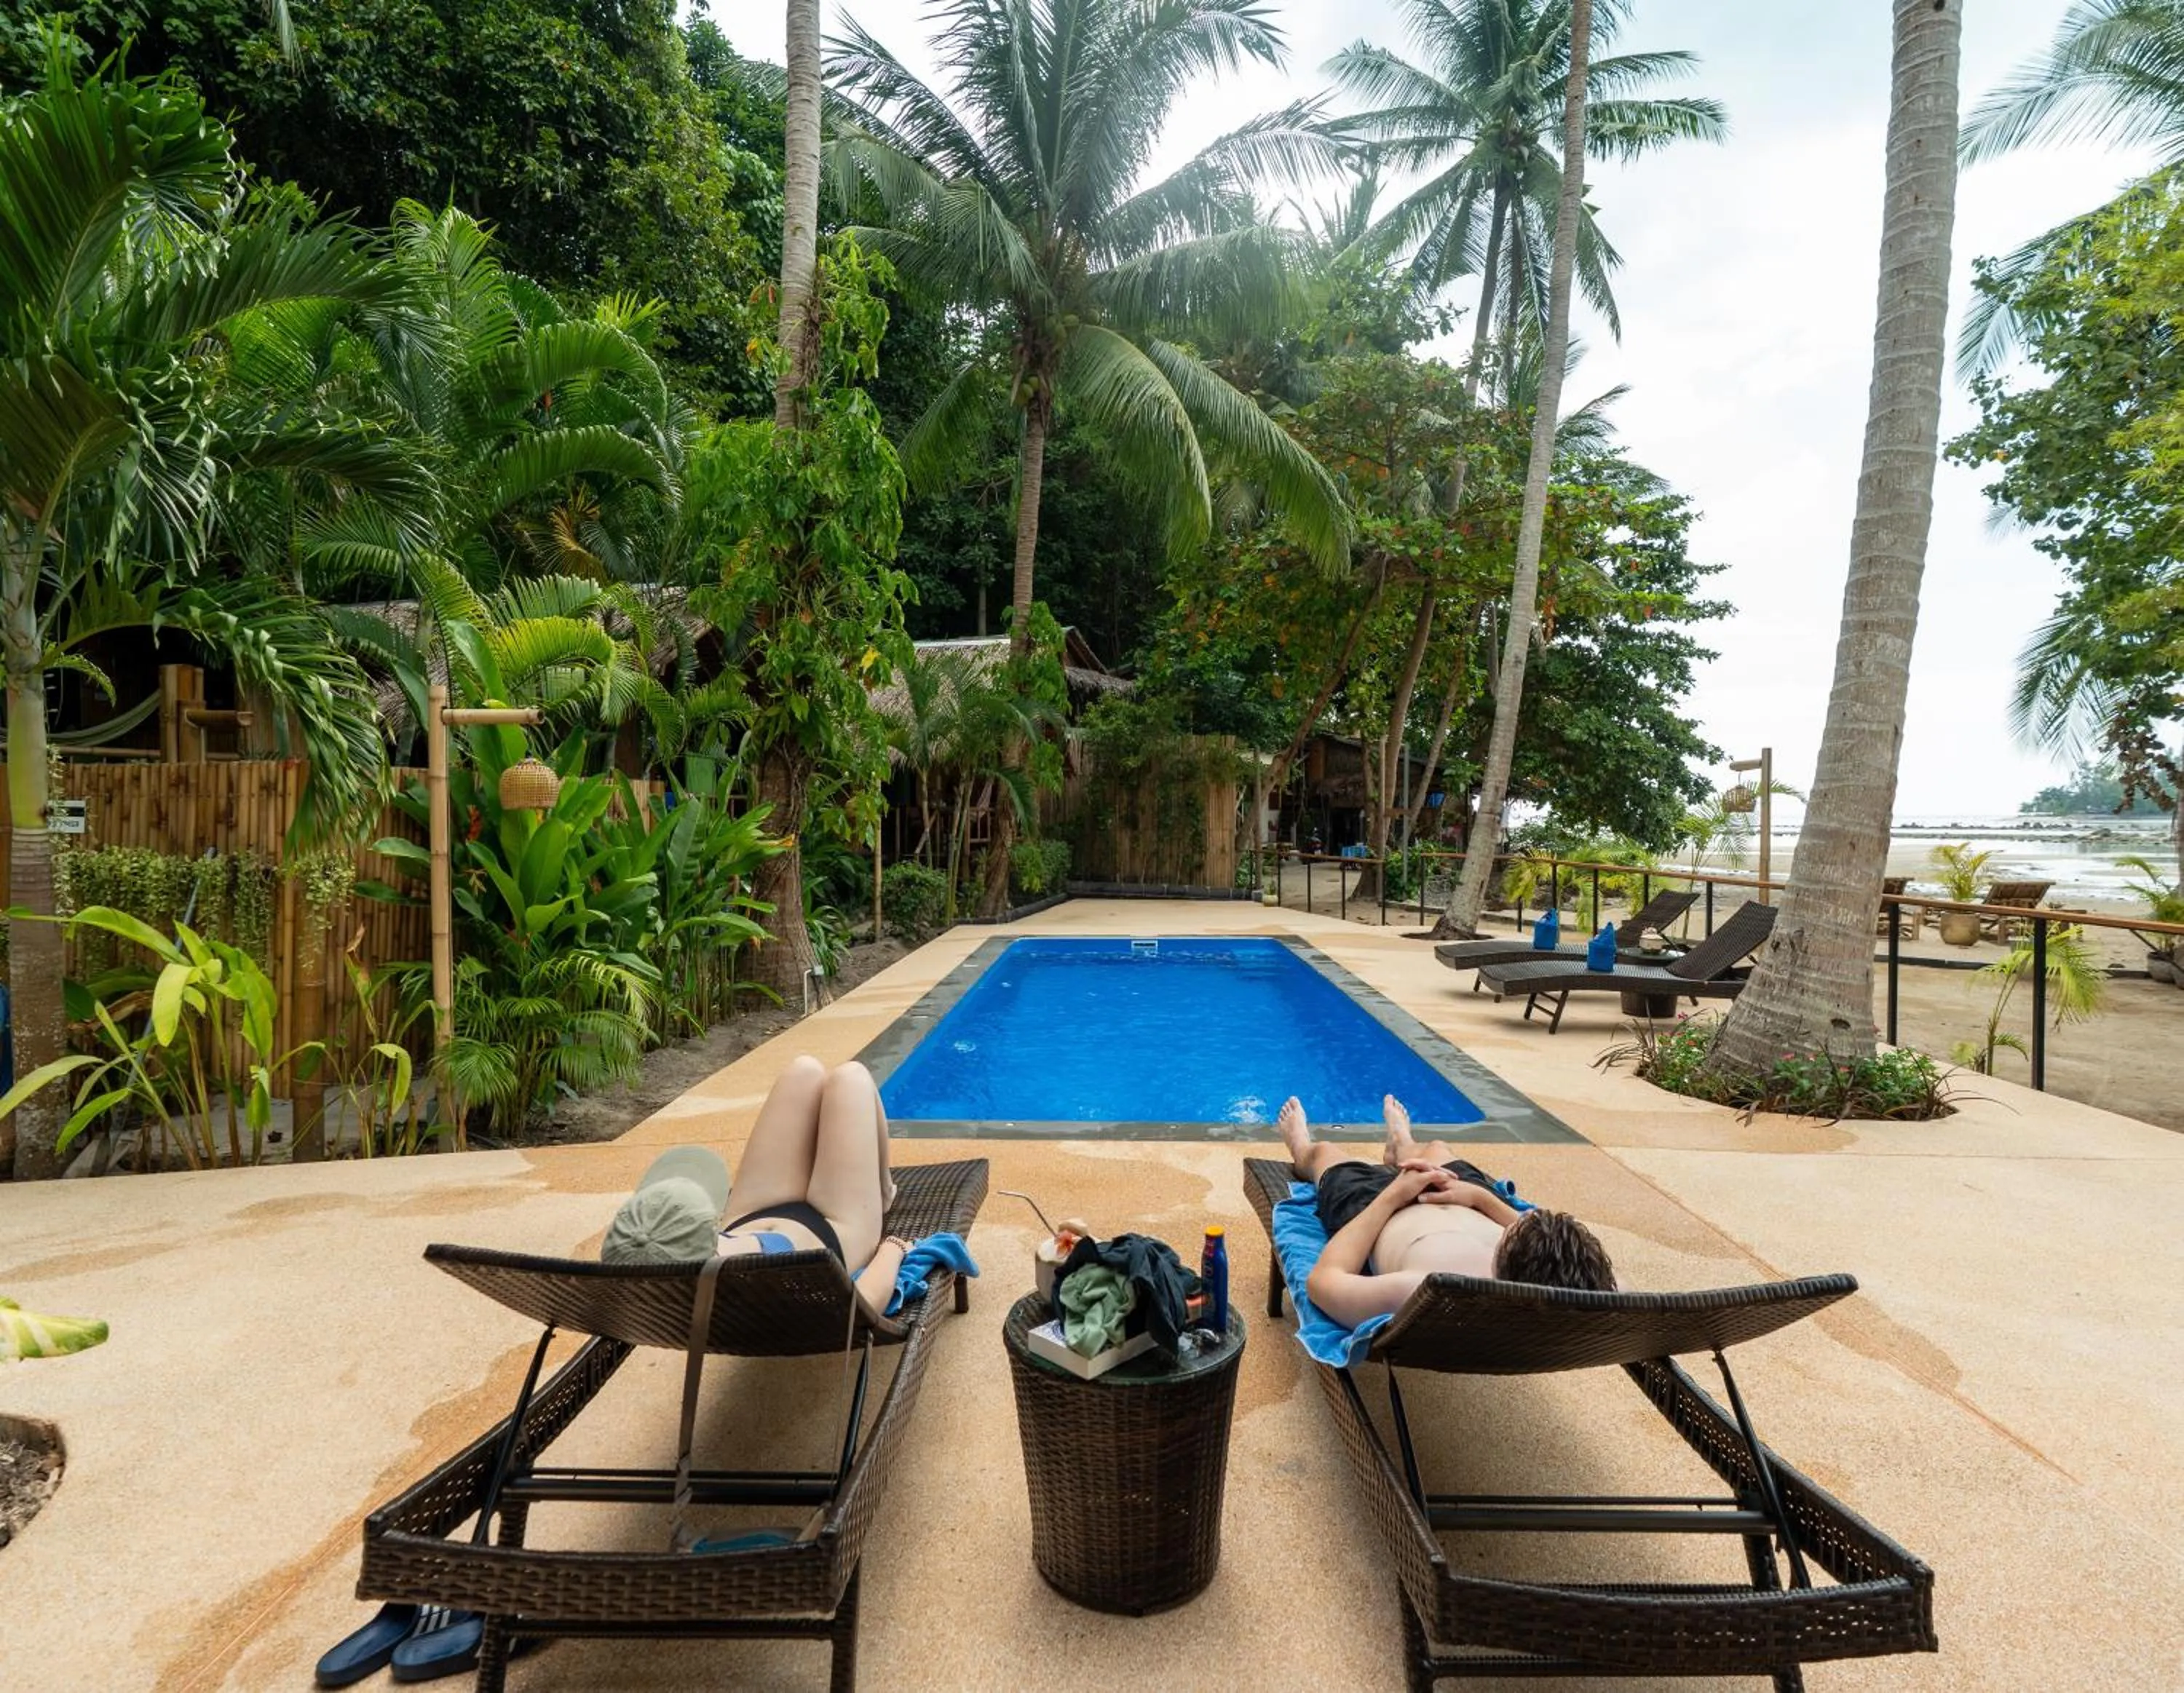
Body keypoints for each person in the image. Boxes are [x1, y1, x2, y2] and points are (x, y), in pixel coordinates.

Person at [604, 1055, 911, 1318]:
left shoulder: (644, 1259)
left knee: (804, 1070)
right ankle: (883, 1190)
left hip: (745, 1222)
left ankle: (873, 1185)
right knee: (851, 1077)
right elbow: (863, 1305)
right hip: (833, 1232)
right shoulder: (764, 1283)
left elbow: (644, 1248)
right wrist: (894, 1248)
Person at [1278, 1093, 1616, 1329]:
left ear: (1504, 1264)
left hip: (1377, 1209)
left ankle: (1301, 1145)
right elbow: (1539, 1235)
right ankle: (1401, 1145)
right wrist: (1480, 1199)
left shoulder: (1429, 1291)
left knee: (1325, 1153)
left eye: (1517, 1229)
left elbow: (1322, 1283)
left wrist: (1395, 1196)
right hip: (1459, 1193)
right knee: (1438, 1149)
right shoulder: (1576, 1285)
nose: (1521, 1219)